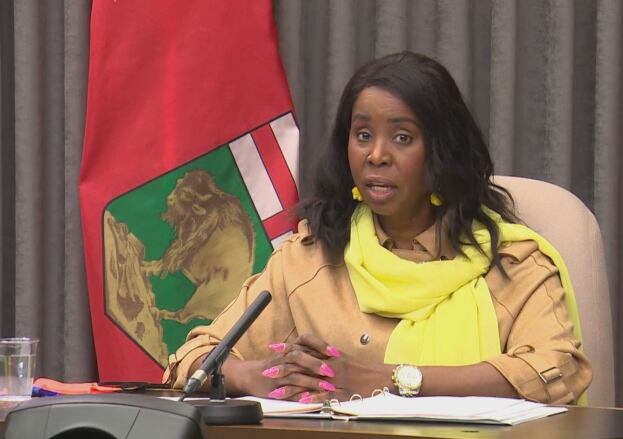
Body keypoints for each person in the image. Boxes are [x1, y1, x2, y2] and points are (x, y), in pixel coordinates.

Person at [163, 51, 592, 404]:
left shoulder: (508, 265)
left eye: (403, 138)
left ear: (441, 151)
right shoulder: (310, 259)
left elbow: (559, 372)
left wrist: (392, 379)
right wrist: (254, 375)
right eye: (363, 134)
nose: (377, 155)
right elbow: (190, 359)